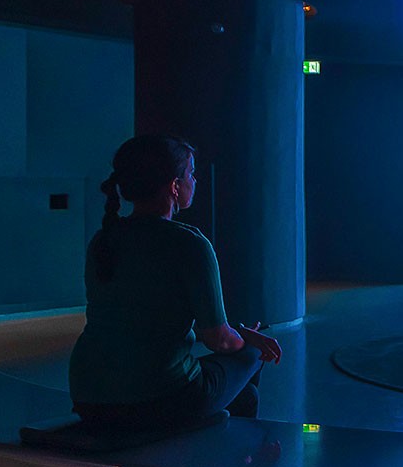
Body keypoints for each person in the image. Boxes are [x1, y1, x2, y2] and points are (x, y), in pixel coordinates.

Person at [68, 135, 281, 428]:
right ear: (174, 185)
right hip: (156, 399)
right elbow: (218, 339)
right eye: (191, 173)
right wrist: (248, 338)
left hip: (87, 394)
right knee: (254, 353)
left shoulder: (103, 239)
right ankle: (238, 465)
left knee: (245, 395)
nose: (195, 180)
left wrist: (238, 333)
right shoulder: (190, 244)